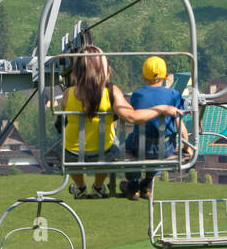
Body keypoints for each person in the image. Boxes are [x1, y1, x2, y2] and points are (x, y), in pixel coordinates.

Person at [59, 46, 184, 199]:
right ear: (103, 69)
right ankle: (98, 186)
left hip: (72, 154)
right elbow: (132, 117)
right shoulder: (111, 92)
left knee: (71, 154)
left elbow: (64, 116)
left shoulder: (68, 94)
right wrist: (161, 109)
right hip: (102, 154)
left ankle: (80, 187)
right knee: (111, 149)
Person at [119, 56, 191, 200]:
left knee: (127, 144)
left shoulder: (137, 95)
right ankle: (147, 183)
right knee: (157, 154)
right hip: (165, 147)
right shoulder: (174, 95)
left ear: (143, 75)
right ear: (165, 77)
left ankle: (133, 185)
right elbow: (179, 123)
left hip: (140, 145)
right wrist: (186, 145)